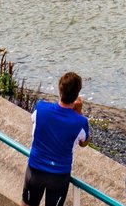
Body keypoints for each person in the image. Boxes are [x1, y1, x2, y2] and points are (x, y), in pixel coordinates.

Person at [24, 71, 91, 206]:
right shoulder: (80, 122)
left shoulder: (41, 108)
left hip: (35, 169)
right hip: (59, 175)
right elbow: (84, 142)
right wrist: (78, 112)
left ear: (60, 90)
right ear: (77, 95)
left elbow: (36, 122)